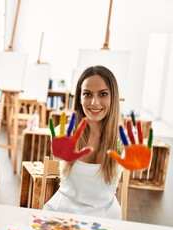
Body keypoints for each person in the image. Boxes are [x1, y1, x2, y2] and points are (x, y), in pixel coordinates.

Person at [43, 65, 123, 219]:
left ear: (113, 97)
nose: (94, 102)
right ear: (79, 98)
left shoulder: (121, 141)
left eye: (103, 94)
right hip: (62, 214)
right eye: (87, 94)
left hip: (105, 218)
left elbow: (133, 160)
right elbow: (59, 159)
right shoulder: (64, 133)